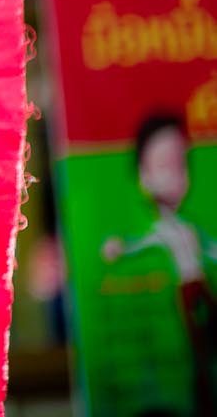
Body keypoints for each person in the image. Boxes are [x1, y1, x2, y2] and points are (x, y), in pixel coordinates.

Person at [102, 112, 217, 416]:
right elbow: (141, 244)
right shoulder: (161, 230)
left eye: (182, 165)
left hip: (202, 285)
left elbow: (209, 248)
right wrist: (121, 248)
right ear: (144, 176)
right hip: (186, 290)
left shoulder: (189, 226)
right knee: (197, 346)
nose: (176, 176)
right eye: (165, 165)